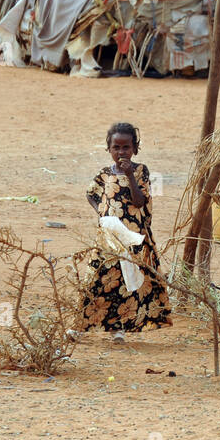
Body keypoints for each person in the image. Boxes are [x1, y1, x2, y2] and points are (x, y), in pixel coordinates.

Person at [81, 122, 172, 333]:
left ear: (135, 149)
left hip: (133, 237)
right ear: (109, 148)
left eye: (126, 147)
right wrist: (102, 213)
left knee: (128, 281)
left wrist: (130, 175)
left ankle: (119, 329)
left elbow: (140, 201)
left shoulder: (141, 171)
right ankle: (82, 325)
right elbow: (90, 193)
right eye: (117, 147)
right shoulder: (104, 174)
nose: (121, 152)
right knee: (98, 278)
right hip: (109, 237)